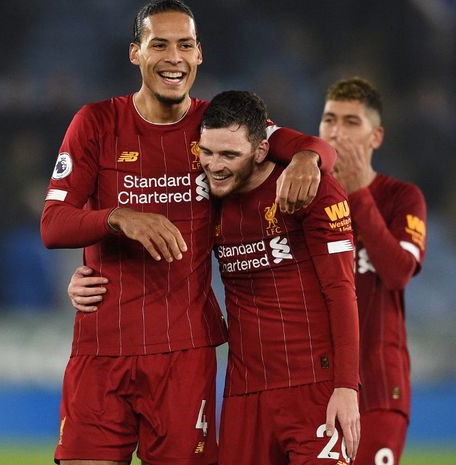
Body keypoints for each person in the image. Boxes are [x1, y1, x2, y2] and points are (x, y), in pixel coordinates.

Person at [40, 1, 335, 464]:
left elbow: (313, 146)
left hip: (183, 354)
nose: (173, 57)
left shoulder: (216, 128)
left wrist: (306, 159)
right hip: (102, 347)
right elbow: (53, 226)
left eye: (185, 45)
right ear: (135, 53)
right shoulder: (95, 123)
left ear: (200, 54)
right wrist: (118, 218)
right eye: (159, 44)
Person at [199, 90, 360, 465]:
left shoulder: (310, 189)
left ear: (260, 150)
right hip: (244, 392)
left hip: (314, 387)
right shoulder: (207, 194)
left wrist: (346, 387)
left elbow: (342, 291)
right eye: (207, 153)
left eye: (229, 155)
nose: (215, 166)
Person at [319, 77, 427, 465]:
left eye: (351, 122)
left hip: (380, 389)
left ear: (375, 136)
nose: (337, 132)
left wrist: (357, 192)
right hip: (318, 386)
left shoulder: (402, 198)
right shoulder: (304, 196)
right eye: (330, 120)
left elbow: (398, 273)